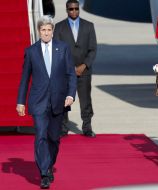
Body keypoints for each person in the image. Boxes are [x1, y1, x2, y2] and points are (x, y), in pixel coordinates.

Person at [16, 15, 77, 189]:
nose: (46, 33)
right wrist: (21, 101)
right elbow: (24, 79)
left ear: (53, 31)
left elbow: (71, 74)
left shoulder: (63, 48)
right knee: (41, 135)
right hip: (38, 101)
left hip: (59, 101)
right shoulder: (31, 51)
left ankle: (49, 164)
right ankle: (43, 172)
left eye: (49, 29)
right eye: (43, 30)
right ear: (39, 31)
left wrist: (71, 95)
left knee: (54, 138)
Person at [53, 0, 97, 137]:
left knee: (85, 100)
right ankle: (63, 127)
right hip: (65, 72)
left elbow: (93, 49)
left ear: (79, 9)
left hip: (84, 71)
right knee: (65, 100)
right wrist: (71, 68)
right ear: (67, 10)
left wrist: (84, 66)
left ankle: (87, 127)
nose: (74, 11)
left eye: (76, 9)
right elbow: (57, 50)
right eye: (71, 9)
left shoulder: (88, 26)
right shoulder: (59, 27)